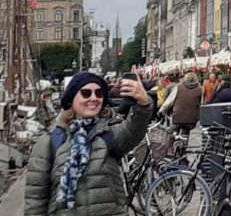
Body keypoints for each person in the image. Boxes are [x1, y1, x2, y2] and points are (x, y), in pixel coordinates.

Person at [24, 72, 153, 216]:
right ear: (72, 99)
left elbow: (134, 129)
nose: (93, 98)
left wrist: (143, 103)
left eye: (99, 93)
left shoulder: (109, 134)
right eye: (86, 93)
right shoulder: (50, 142)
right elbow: (36, 200)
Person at [160, 70, 204, 143]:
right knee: (186, 132)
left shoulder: (178, 87)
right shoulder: (200, 89)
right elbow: (202, 104)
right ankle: (184, 145)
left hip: (177, 116)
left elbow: (169, 101)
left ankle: (172, 144)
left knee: (173, 133)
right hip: (192, 118)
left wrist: (161, 111)